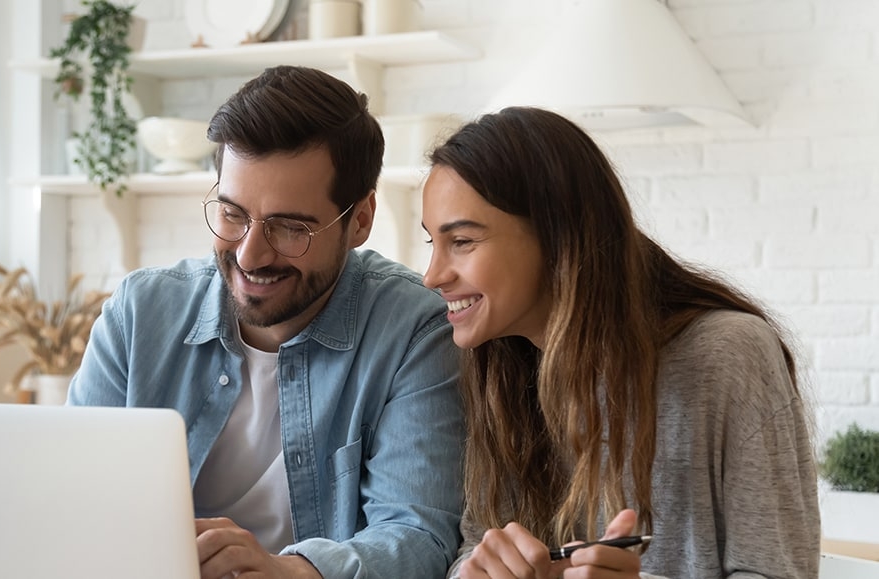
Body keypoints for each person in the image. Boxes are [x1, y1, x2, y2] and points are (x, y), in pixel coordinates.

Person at [68, 65, 465, 579]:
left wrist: (290, 571)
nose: (251, 256)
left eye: (288, 227)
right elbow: (71, 497)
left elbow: (418, 538)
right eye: (233, 215)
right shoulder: (139, 313)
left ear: (360, 220)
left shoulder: (413, 330)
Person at [419, 106, 819, 579]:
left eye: (462, 241)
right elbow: (476, 541)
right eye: (432, 243)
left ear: (556, 235)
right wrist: (475, 572)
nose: (432, 276)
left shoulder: (727, 355)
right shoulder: (500, 368)